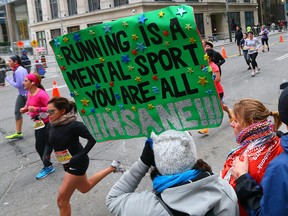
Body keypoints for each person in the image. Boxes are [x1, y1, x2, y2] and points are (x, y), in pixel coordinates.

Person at [106, 130, 240, 216]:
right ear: (192, 154)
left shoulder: (147, 207)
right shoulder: (224, 190)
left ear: (155, 160)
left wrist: (143, 162)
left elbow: (113, 199)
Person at [46, 96, 125, 216]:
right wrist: (47, 153)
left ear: (62, 111)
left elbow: (93, 138)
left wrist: (79, 155)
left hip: (78, 162)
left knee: (62, 201)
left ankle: (113, 167)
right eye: (47, 111)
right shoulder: (52, 125)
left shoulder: (74, 125)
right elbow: (51, 141)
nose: (49, 114)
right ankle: (113, 167)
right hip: (66, 162)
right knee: (85, 188)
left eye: (52, 111)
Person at [230, 84, 288, 216]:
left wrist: (243, 180)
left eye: (235, 120)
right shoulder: (278, 140)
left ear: (249, 122)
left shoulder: (240, 161)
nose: (231, 124)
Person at [20, 73, 55, 179]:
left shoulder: (41, 94)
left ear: (33, 83)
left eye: (26, 81)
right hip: (38, 124)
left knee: (41, 146)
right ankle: (58, 156)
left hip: (47, 123)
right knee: (45, 145)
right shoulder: (29, 93)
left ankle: (48, 166)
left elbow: (52, 110)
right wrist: (25, 108)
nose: (23, 82)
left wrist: (36, 109)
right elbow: (28, 104)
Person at [198, 49, 232, 135]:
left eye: (206, 57)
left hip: (218, 91)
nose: (204, 58)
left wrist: (210, 79)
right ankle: (205, 128)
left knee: (218, 106)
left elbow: (218, 79)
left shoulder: (214, 66)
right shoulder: (203, 66)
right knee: (208, 107)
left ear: (210, 58)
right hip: (208, 91)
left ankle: (229, 111)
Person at [5, 55, 28, 140]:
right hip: (22, 94)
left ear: (15, 62)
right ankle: (18, 133)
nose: (8, 62)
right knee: (17, 112)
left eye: (10, 61)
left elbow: (19, 85)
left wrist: (7, 79)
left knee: (36, 112)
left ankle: (48, 126)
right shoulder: (16, 70)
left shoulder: (19, 71)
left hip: (28, 94)